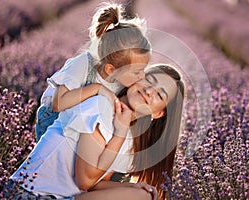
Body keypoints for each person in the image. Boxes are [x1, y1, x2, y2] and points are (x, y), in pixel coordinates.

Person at [10, 64, 185, 200]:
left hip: (59, 196)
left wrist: (133, 188)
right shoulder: (101, 106)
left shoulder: (129, 136)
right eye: (149, 80)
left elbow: (95, 184)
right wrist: (119, 134)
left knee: (143, 196)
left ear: (158, 113)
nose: (148, 91)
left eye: (159, 95)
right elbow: (85, 180)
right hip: (28, 193)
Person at [35, 2, 151, 142]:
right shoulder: (83, 65)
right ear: (111, 70)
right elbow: (58, 104)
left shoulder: (123, 82)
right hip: (54, 125)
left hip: (82, 127)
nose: (142, 76)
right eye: (137, 72)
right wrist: (97, 88)